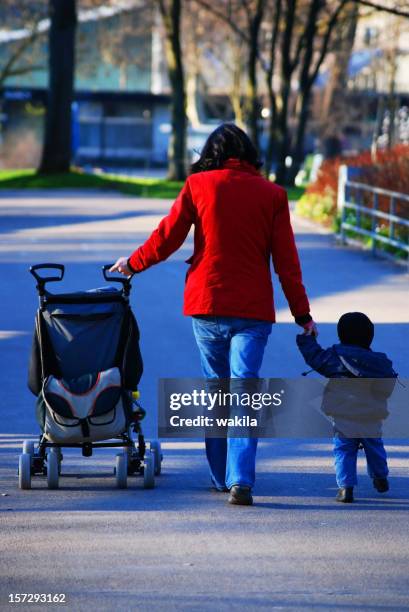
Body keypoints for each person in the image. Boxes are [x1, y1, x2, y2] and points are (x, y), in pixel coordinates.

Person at [111, 123, 315, 505]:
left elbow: (167, 237)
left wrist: (132, 264)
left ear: (211, 154)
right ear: (250, 154)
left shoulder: (199, 186)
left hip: (207, 303)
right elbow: (287, 263)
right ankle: (241, 479)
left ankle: (221, 478)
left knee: (216, 390)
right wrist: (302, 314)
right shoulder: (272, 195)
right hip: (253, 311)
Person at [297, 312, 397, 503]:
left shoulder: (335, 357)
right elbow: (386, 389)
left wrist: (307, 339)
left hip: (343, 416)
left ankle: (345, 488)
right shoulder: (381, 362)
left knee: (343, 450)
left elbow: (314, 357)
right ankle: (380, 477)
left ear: (341, 335)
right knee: (374, 446)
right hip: (371, 416)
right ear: (370, 336)